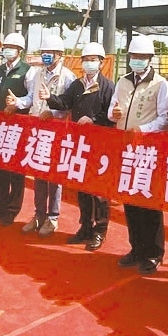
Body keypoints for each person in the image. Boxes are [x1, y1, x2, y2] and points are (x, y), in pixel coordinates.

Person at [110, 34, 168, 274]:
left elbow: (164, 118)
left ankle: (154, 253)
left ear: (150, 59)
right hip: (124, 149)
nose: (137, 60)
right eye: (134, 56)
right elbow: (112, 109)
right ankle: (136, 248)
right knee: (130, 201)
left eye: (142, 57)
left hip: (147, 151)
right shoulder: (122, 81)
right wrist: (113, 114)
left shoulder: (160, 84)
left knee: (149, 202)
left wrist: (143, 130)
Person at [49, 41, 115, 250]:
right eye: (85, 60)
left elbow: (112, 115)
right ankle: (85, 227)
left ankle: (99, 231)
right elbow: (64, 102)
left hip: (100, 145)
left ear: (101, 62)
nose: (88, 64)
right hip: (80, 145)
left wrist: (94, 120)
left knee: (100, 191)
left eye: (92, 60)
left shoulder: (109, 87)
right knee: (82, 188)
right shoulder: (77, 85)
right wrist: (49, 98)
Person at [15, 33, 75, 235]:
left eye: (50, 53)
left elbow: (69, 105)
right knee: (38, 173)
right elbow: (31, 98)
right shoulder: (36, 73)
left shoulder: (68, 77)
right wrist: (17, 102)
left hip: (56, 131)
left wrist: (54, 112)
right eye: (44, 52)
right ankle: (38, 214)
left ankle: (53, 217)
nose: (46, 56)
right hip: (38, 131)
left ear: (60, 54)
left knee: (54, 177)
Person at [0, 32, 32, 226]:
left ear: (19, 50)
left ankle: (12, 209)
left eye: (11, 47)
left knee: (15, 169)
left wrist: (17, 104)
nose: (6, 50)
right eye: (5, 47)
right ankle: (0, 206)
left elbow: (31, 97)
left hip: (17, 127)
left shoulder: (27, 71)